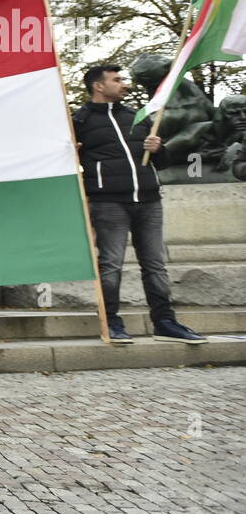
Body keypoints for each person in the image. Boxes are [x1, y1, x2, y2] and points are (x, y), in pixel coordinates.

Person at [73, 64, 206, 345]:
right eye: (117, 80)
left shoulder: (138, 117)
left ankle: (165, 322)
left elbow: (163, 163)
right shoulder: (79, 122)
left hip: (149, 200)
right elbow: (69, 164)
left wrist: (159, 149)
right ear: (99, 86)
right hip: (108, 203)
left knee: (155, 265)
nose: (124, 84)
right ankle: (111, 322)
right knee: (111, 265)